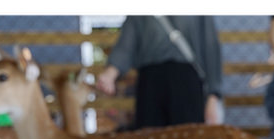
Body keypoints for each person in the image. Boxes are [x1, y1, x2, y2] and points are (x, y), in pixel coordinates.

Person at [96, 16, 224, 129]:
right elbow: (127, 43)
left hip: (187, 81)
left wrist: (213, 96)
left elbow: (210, 46)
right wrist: (110, 73)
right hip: (151, 82)